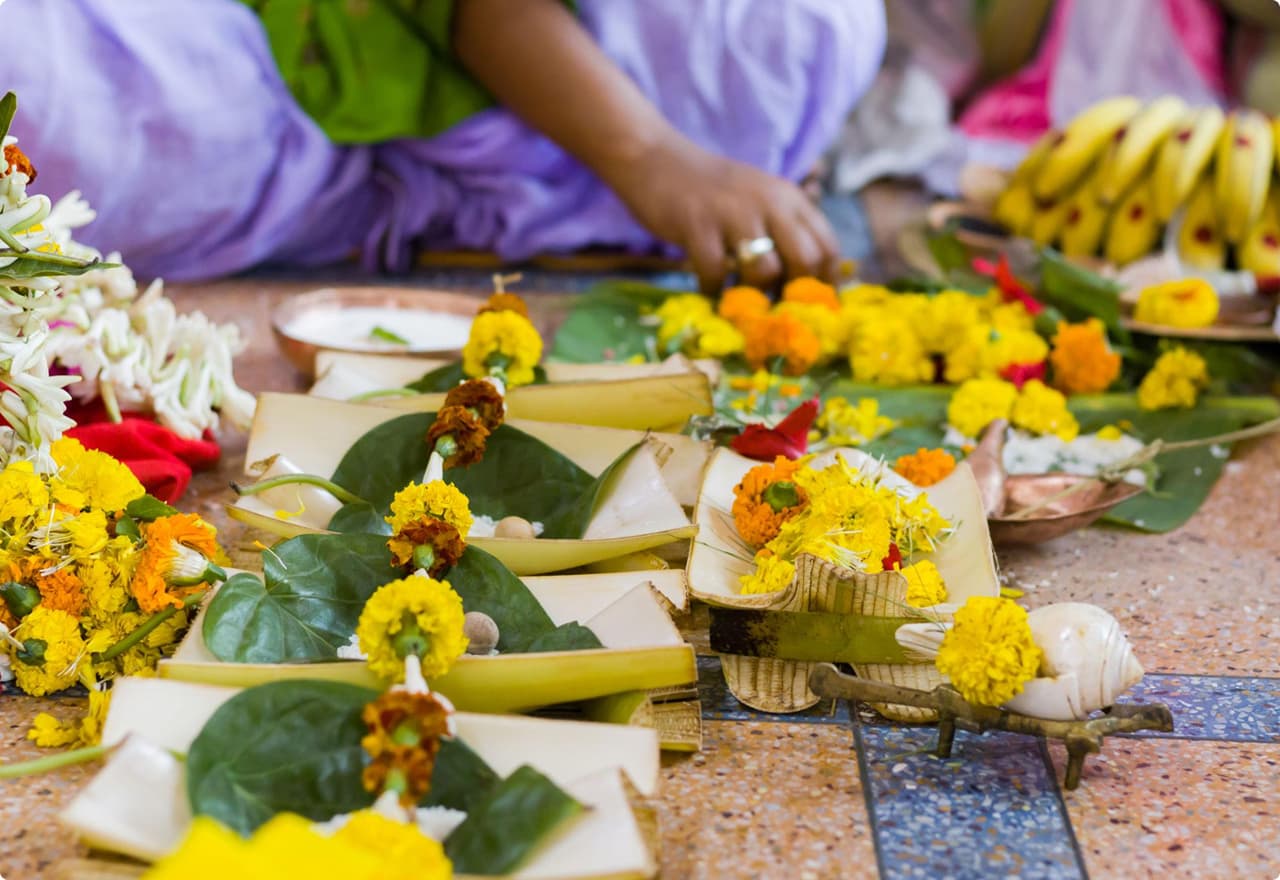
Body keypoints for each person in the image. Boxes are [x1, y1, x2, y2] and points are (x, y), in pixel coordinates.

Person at [0, 0, 886, 293]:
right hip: (291, 58)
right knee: (45, 89)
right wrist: (649, 154)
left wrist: (677, 172)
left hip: (313, 158)